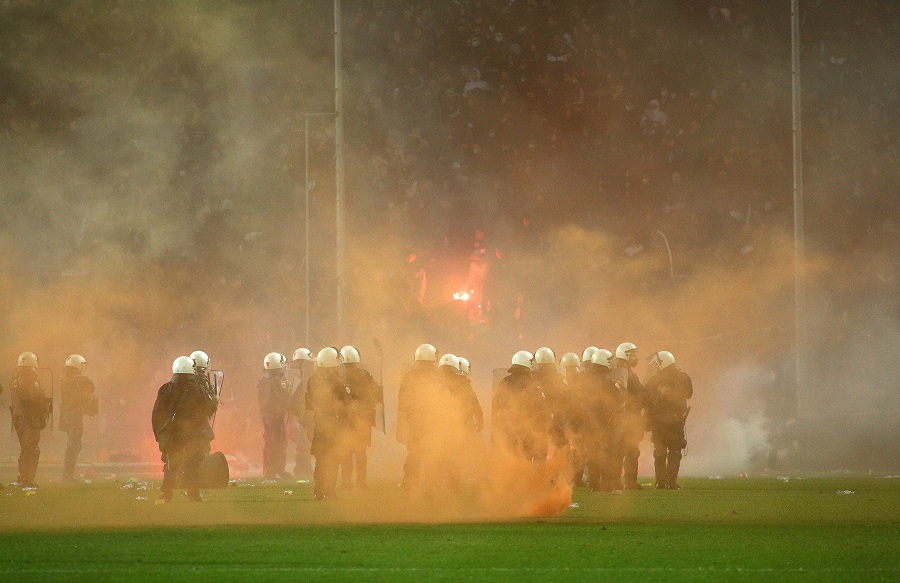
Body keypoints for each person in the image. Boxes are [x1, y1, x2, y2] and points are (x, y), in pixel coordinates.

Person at [152, 356, 217, 502]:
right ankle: (194, 496)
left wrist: (159, 435)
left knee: (170, 465)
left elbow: (156, 415)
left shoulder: (165, 389)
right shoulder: (196, 390)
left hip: (171, 434)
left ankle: (166, 495)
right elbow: (208, 409)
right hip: (191, 434)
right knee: (192, 465)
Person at [305, 347, 352, 501]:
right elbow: (346, 403)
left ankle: (318, 492)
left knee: (320, 460)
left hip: (320, 425)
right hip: (335, 425)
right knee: (333, 459)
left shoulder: (312, 380)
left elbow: (309, 403)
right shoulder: (337, 381)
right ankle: (330, 492)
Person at [645, 351, 693, 489]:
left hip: (659, 423)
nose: (655, 367)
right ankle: (671, 483)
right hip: (675, 422)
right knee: (674, 452)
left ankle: (660, 482)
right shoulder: (684, 378)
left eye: (657, 364)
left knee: (660, 452)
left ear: (663, 363)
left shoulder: (655, 380)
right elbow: (689, 394)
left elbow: (645, 398)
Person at [492, 350, 550, 463]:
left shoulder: (505, 382)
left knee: (512, 460)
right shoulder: (532, 384)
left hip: (508, 431)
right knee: (529, 460)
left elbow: (496, 406)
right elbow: (541, 408)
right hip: (528, 431)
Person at [338, 345, 383, 490]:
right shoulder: (365, 375)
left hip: (345, 419)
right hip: (363, 419)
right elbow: (377, 394)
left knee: (346, 452)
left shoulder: (338, 377)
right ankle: (361, 483)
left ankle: (346, 482)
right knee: (361, 452)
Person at [397, 343, 440, 493]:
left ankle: (409, 486)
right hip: (432, 423)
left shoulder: (409, 376)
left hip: (414, 423)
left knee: (414, 455)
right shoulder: (437, 376)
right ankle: (430, 488)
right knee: (432, 455)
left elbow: (402, 403)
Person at [583, 349, 625, 491]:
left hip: (588, 422)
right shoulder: (608, 381)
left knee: (592, 452)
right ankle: (607, 484)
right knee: (608, 452)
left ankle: (594, 484)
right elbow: (620, 399)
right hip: (605, 421)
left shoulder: (585, 378)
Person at [11, 352, 48, 487]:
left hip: (18, 419)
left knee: (25, 449)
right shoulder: (31, 379)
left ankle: (22, 477)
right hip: (30, 420)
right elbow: (35, 398)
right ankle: (27, 480)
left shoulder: (15, 380)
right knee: (32, 449)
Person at [58, 354, 98, 481]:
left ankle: (67, 473)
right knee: (74, 444)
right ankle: (68, 474)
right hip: (74, 415)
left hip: (67, 415)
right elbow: (91, 387)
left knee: (73, 443)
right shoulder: (80, 380)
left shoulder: (65, 380)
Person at [614, 342, 648, 490]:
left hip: (621, 417)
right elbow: (640, 391)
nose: (636, 358)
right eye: (633, 354)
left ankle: (614, 481)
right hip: (628, 417)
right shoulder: (626, 372)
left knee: (619, 450)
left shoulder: (618, 370)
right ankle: (629, 482)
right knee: (631, 450)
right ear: (625, 355)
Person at [258, 352, 293, 480]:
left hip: (266, 415)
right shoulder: (279, 381)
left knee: (270, 442)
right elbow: (285, 398)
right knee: (278, 442)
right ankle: (275, 471)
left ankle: (269, 470)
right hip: (276, 416)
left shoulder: (264, 380)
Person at [560, 352, 586, 486]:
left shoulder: (575, 385)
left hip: (574, 422)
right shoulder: (561, 385)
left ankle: (575, 478)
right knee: (571, 451)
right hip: (567, 422)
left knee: (576, 451)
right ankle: (572, 477)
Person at [289, 347, 315, 479]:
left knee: (304, 445)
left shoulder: (308, 379)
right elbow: (294, 400)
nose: (299, 368)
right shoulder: (304, 380)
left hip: (307, 416)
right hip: (305, 417)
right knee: (303, 445)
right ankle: (302, 470)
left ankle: (302, 469)